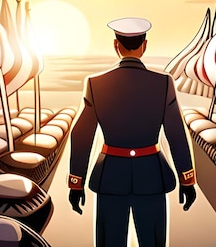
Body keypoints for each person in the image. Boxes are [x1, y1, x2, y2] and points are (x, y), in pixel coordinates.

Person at [68, 17, 197, 247]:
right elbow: (176, 134)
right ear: (144, 46)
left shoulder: (96, 84)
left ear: (116, 46)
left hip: (110, 177)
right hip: (152, 177)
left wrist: (76, 183)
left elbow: (81, 136)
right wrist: (187, 179)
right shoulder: (163, 84)